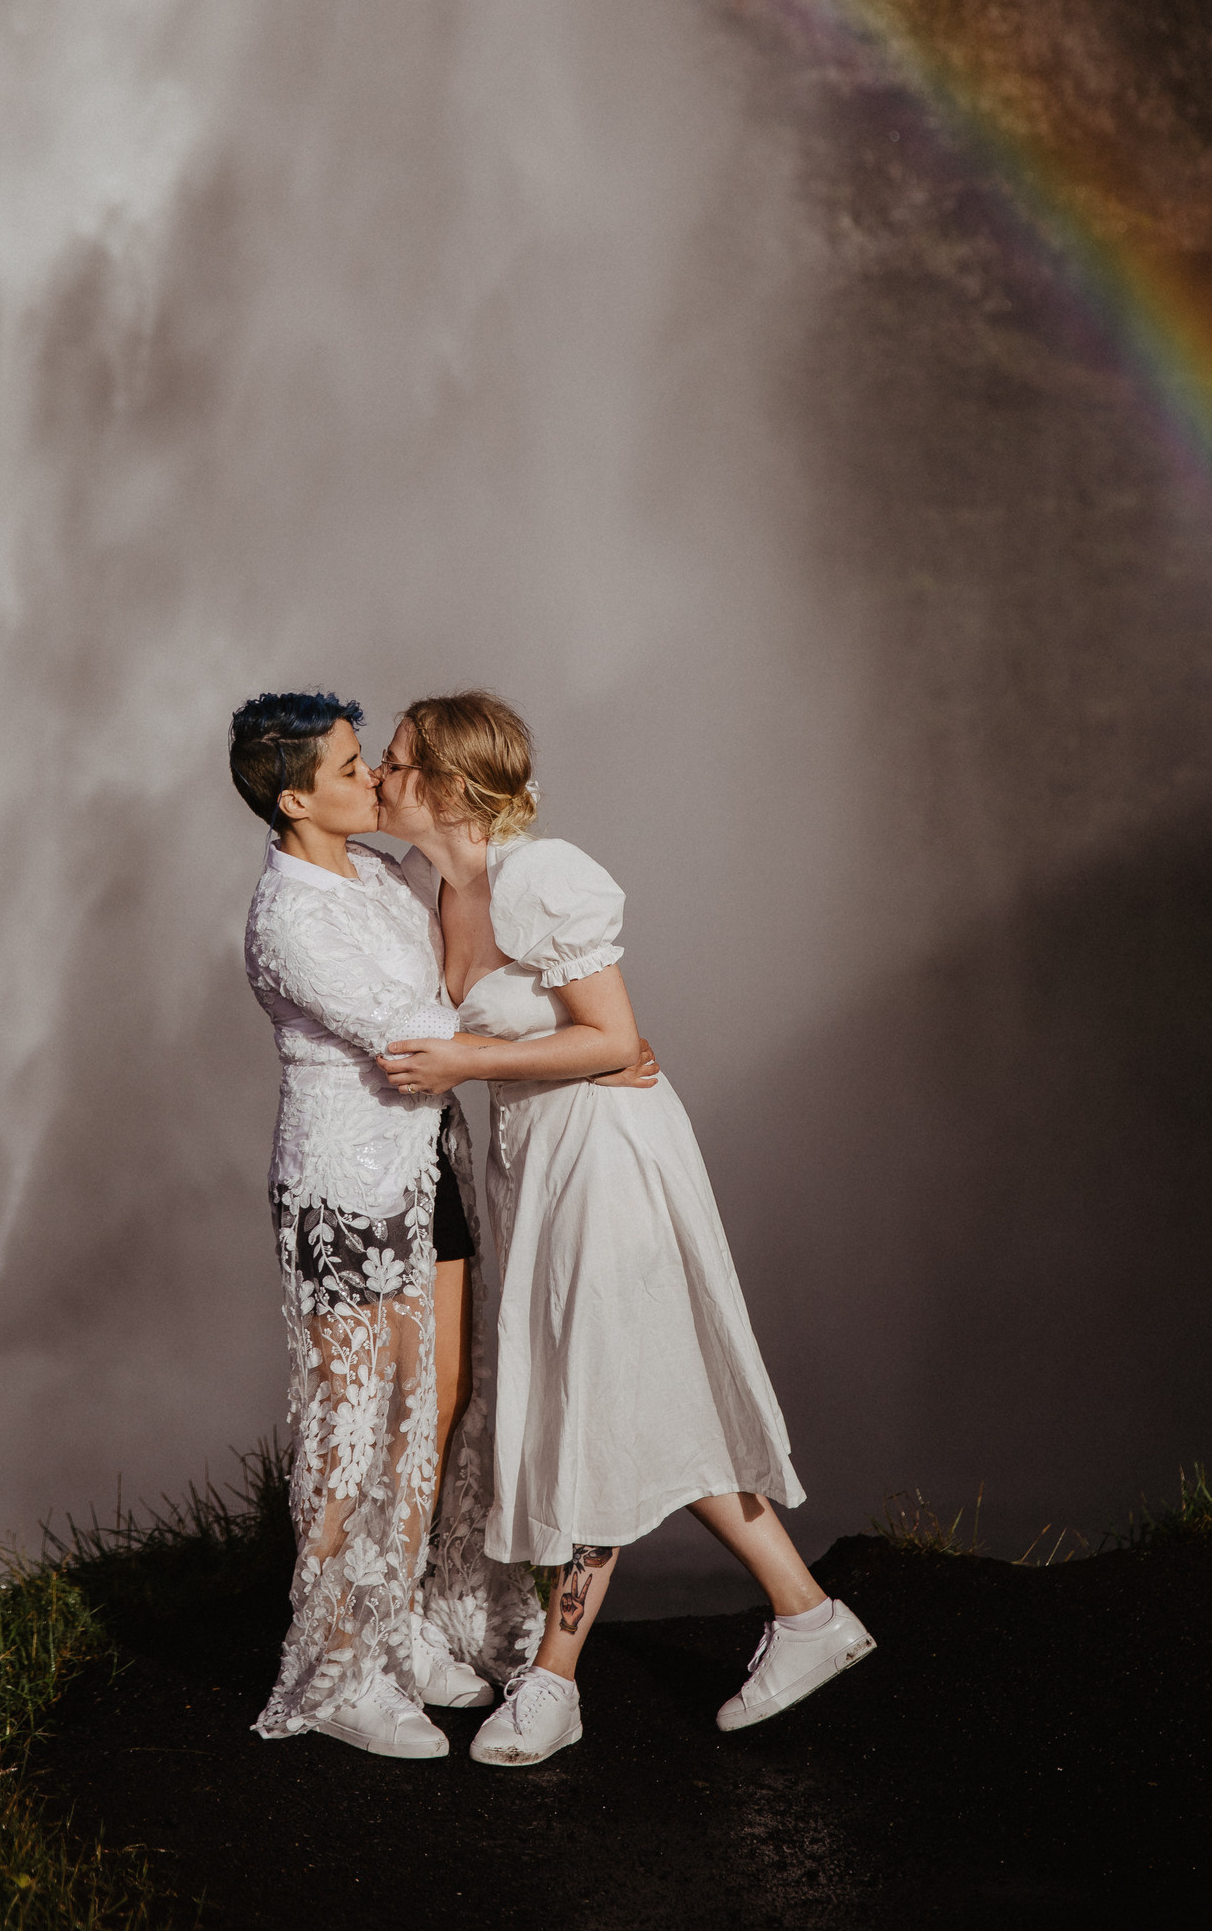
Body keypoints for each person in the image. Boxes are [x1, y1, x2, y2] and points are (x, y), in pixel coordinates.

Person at [375, 689, 876, 1767]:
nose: (379, 771)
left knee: (596, 1395)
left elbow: (614, 1039)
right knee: (631, 1390)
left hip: (604, 1153)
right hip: (534, 1157)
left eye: (399, 759)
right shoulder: (424, 884)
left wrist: (468, 1060)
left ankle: (555, 1683)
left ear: (454, 787)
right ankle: (806, 1613)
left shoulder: (542, 878)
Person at [231, 688, 540, 1759]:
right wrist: (573, 1036)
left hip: (426, 1173)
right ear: (293, 798)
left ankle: (397, 1615)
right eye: (350, 767)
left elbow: (462, 898)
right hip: (344, 1191)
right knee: (350, 1427)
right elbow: (417, 1033)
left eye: (368, 758)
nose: (371, 778)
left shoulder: (372, 872)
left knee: (436, 1401)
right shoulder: (288, 919)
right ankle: (338, 1668)